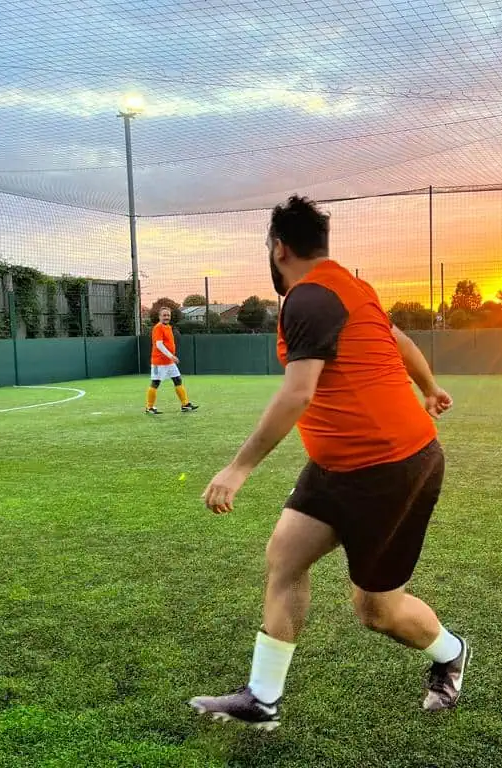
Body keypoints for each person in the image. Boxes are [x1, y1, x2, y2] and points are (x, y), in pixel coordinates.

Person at [189, 195, 469, 731]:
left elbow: (298, 393)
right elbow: (397, 337)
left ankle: (450, 652)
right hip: (336, 465)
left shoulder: (309, 297)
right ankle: (262, 699)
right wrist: (429, 386)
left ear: (278, 248)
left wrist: (238, 468)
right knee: (285, 559)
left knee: (376, 612)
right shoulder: (349, 287)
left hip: (392, 467)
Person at [146, 306, 197, 414]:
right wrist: (171, 356)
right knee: (155, 383)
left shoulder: (168, 327)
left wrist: (170, 358)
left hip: (169, 362)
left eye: (168, 315)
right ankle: (149, 407)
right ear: (159, 317)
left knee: (178, 380)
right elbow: (159, 345)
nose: (166, 317)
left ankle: (185, 404)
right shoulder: (158, 328)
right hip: (158, 363)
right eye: (164, 315)